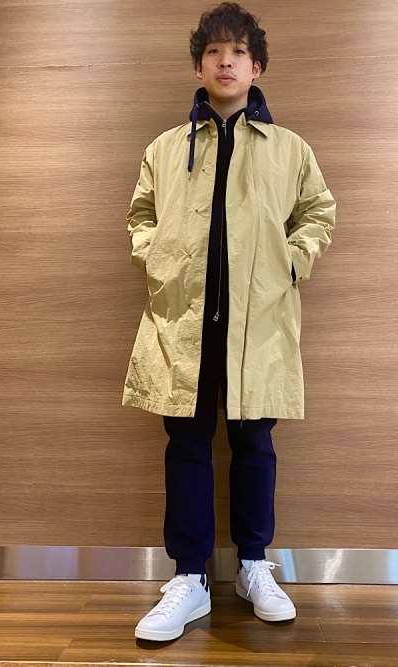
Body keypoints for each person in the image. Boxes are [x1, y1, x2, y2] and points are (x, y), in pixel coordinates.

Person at [122, 2, 336, 642]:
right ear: (199, 66)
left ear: (256, 66)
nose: (225, 62)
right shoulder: (166, 148)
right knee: (186, 443)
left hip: (257, 319)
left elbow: (318, 213)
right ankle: (189, 577)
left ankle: (253, 566)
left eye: (238, 52)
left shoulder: (289, 148)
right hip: (184, 319)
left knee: (255, 443)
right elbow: (140, 217)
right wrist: (156, 260)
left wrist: (291, 262)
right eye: (214, 51)